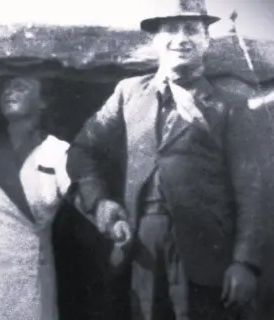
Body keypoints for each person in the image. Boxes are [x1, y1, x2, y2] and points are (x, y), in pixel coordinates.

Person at [66, 0, 268, 319]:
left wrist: (245, 262)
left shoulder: (231, 105)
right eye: (170, 30)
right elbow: (81, 150)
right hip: (141, 247)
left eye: (191, 30)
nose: (181, 39)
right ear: (155, 40)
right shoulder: (129, 93)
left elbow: (254, 188)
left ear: (207, 40)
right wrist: (100, 203)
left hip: (206, 256)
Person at [0, 74, 131, 320]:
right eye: (5, 88)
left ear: (43, 103)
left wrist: (106, 216)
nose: (9, 91)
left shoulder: (56, 150)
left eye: (21, 87)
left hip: (23, 275)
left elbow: (80, 194)